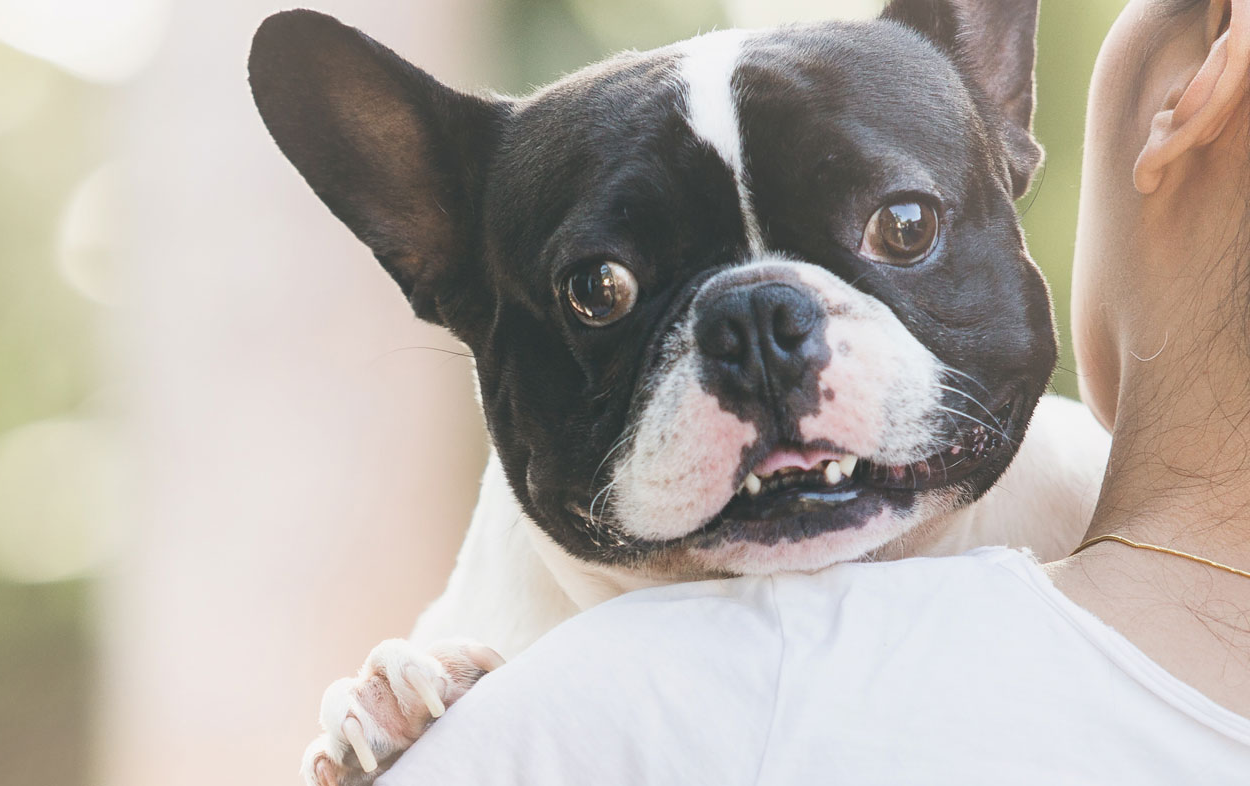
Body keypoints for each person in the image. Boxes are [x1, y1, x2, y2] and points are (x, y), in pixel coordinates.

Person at [374, 1, 1250, 782]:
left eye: (899, 229)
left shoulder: (576, 724)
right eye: (604, 291)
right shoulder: (515, 703)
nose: (766, 356)